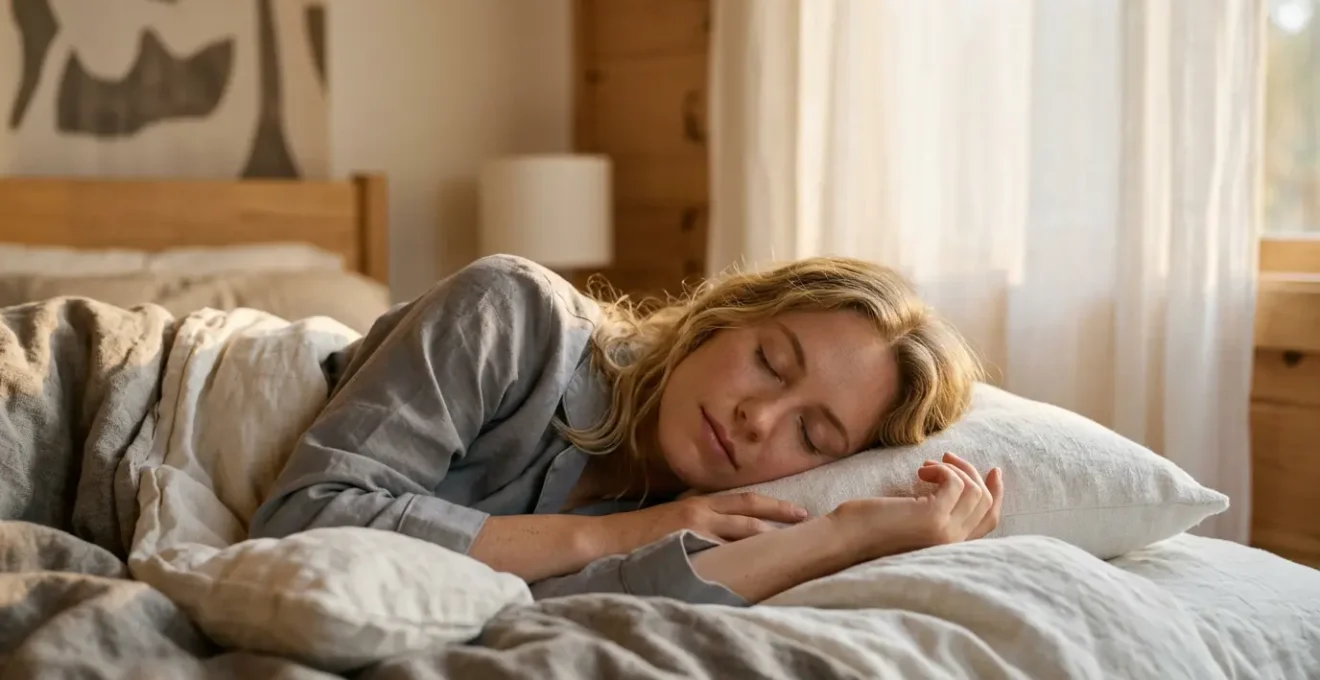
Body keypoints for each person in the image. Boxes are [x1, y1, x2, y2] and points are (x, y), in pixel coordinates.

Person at [249, 254, 1002, 606]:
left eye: (812, 437)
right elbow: (303, 520)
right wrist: (616, 534)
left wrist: (845, 535)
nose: (760, 417)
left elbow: (577, 607)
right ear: (722, 316)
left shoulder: (711, 513)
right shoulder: (512, 313)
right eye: (770, 362)